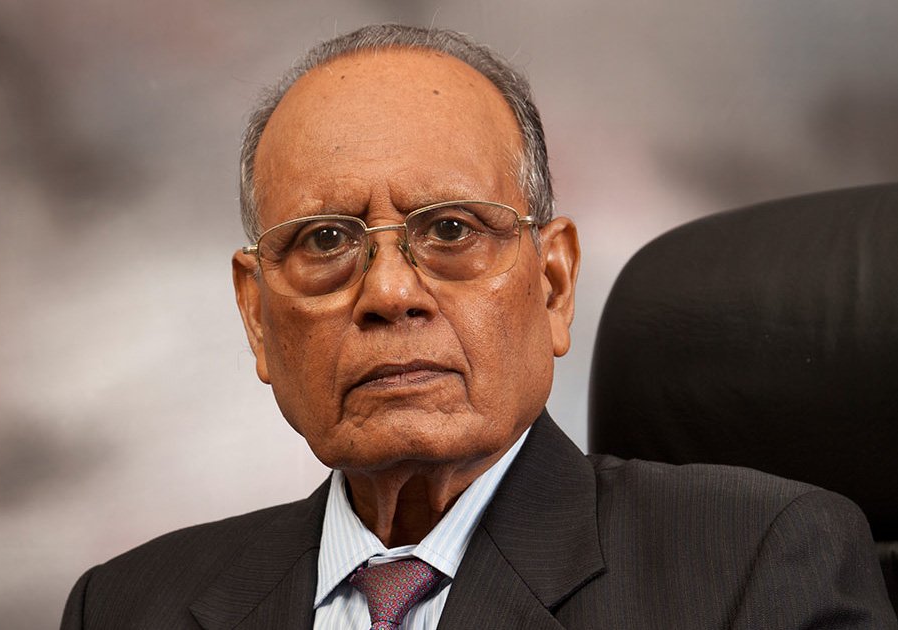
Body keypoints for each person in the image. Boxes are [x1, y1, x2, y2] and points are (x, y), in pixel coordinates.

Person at [60, 24, 897, 629]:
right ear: (255, 314)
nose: (389, 292)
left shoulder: (759, 563)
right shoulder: (126, 606)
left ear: (553, 283)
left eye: (451, 229)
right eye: (324, 241)